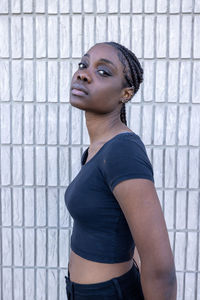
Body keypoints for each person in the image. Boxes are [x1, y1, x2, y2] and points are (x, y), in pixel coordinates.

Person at [64, 41, 177, 300]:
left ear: (125, 94)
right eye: (83, 64)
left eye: (103, 71)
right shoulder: (97, 150)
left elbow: (161, 270)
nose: (83, 73)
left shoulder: (122, 150)